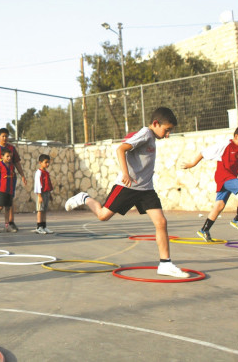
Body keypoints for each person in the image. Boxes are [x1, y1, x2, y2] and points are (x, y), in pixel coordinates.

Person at [65, 107, 189, 278]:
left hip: (146, 189)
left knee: (161, 222)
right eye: (167, 130)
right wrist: (125, 173)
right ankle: (84, 197)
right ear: (155, 123)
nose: (167, 134)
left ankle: (165, 264)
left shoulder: (152, 137)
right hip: (127, 186)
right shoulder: (145, 134)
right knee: (103, 216)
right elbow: (121, 149)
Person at [182, 125, 238, 242]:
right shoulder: (224, 145)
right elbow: (203, 152)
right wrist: (192, 164)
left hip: (230, 178)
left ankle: (204, 230)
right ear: (236, 136)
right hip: (224, 177)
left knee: (219, 205)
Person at [0, 150, 16, 233]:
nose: (9, 158)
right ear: (2, 156)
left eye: (10, 157)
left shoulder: (11, 166)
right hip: (2, 189)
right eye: (7, 156)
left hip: (9, 190)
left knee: (8, 208)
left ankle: (7, 226)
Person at [33, 154, 54, 234]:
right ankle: (39, 227)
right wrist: (39, 196)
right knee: (40, 210)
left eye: (48, 162)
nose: (47, 164)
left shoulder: (46, 173)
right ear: (40, 163)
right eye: (46, 162)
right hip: (41, 194)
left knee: (44, 210)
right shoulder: (39, 173)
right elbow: (38, 184)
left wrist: (50, 194)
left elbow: (48, 183)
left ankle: (44, 226)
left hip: (46, 193)